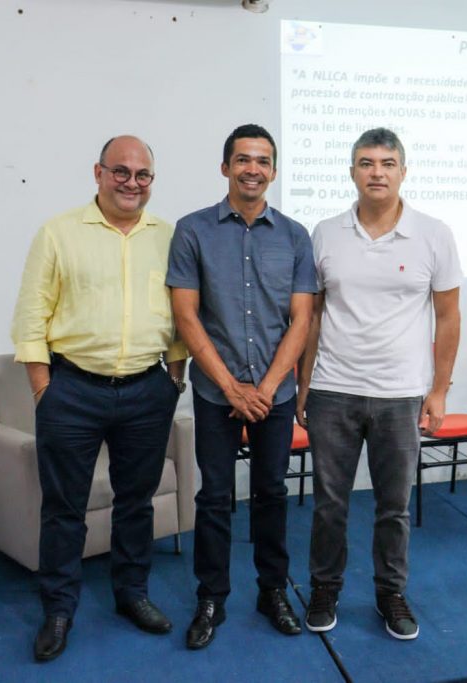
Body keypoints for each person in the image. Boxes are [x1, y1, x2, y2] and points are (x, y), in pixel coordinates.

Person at [11, 135, 188, 662]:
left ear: (152, 180)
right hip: (73, 391)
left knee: (136, 502)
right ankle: (58, 609)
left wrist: (174, 380)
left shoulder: (168, 237)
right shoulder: (59, 232)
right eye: (121, 171)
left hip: (147, 390)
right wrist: (43, 389)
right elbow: (30, 316)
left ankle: (132, 593)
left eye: (143, 174)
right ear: (98, 172)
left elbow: (181, 316)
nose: (132, 183)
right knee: (64, 508)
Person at [298, 127, 463, 641]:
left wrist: (439, 390)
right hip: (333, 389)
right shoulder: (325, 233)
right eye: (367, 163)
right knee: (330, 505)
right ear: (352, 172)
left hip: (401, 394)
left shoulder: (433, 234)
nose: (377, 172)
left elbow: (449, 317)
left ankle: (391, 593)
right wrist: (303, 384)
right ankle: (325, 588)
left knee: (394, 507)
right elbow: (312, 316)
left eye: (387, 163)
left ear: (403, 172)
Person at [167, 124, 316, 650]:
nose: (253, 169)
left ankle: (272, 590)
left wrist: (267, 387)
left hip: (275, 394)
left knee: (272, 493)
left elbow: (302, 319)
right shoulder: (192, 230)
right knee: (214, 496)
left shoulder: (295, 236)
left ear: (273, 170)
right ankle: (211, 597)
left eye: (263, 160)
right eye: (243, 159)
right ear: (225, 166)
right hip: (216, 392)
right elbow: (186, 316)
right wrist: (232, 387)